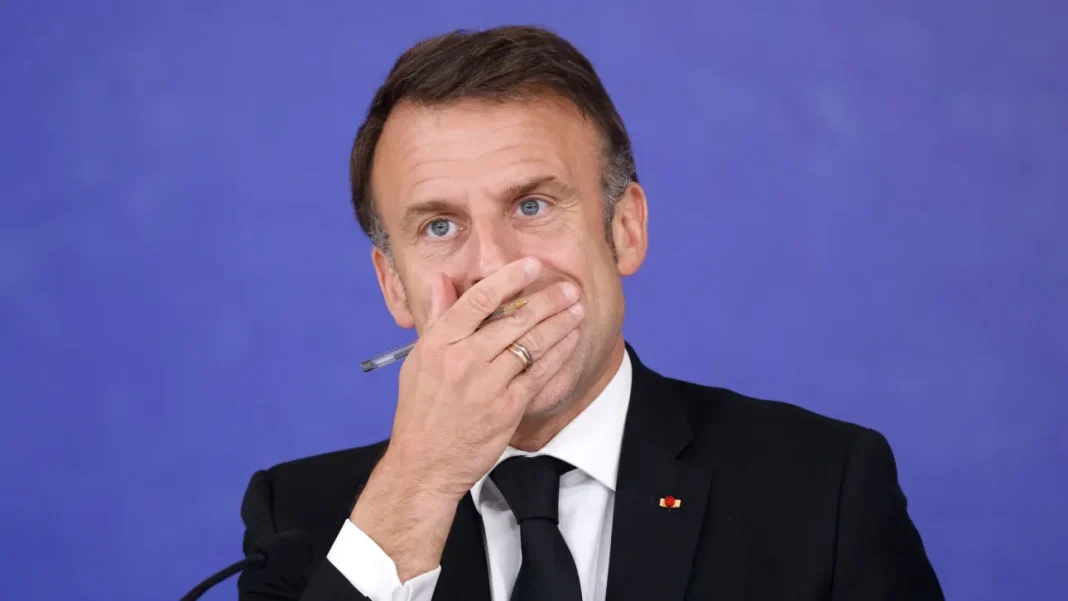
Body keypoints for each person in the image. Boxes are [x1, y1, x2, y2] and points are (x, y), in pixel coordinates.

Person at [236, 25, 944, 601]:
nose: (493, 268)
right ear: (393, 284)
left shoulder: (821, 488)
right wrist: (416, 487)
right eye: (440, 227)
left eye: (532, 205)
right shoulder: (299, 520)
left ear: (625, 229)